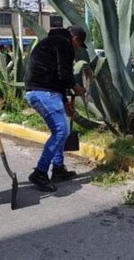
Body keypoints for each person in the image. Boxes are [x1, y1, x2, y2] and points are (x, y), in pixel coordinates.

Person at [24, 25, 87, 191]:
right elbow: (64, 73)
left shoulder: (51, 42)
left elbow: (56, 76)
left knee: (60, 131)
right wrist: (75, 86)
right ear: (75, 39)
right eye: (79, 45)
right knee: (61, 131)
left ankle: (58, 169)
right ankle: (39, 173)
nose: (77, 48)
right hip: (44, 92)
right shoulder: (64, 43)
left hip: (42, 92)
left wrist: (66, 103)